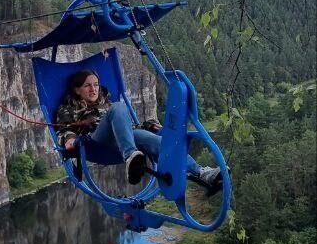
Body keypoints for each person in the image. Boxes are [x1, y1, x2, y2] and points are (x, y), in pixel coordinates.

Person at [54, 69, 223, 194]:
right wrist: (70, 139)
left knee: (152, 139)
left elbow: (124, 126)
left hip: (122, 141)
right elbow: (64, 131)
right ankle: (131, 156)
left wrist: (147, 125)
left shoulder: (105, 101)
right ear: (77, 90)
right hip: (95, 143)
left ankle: (202, 173)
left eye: (96, 84)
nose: (94, 89)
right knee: (119, 107)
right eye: (87, 86)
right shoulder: (67, 109)